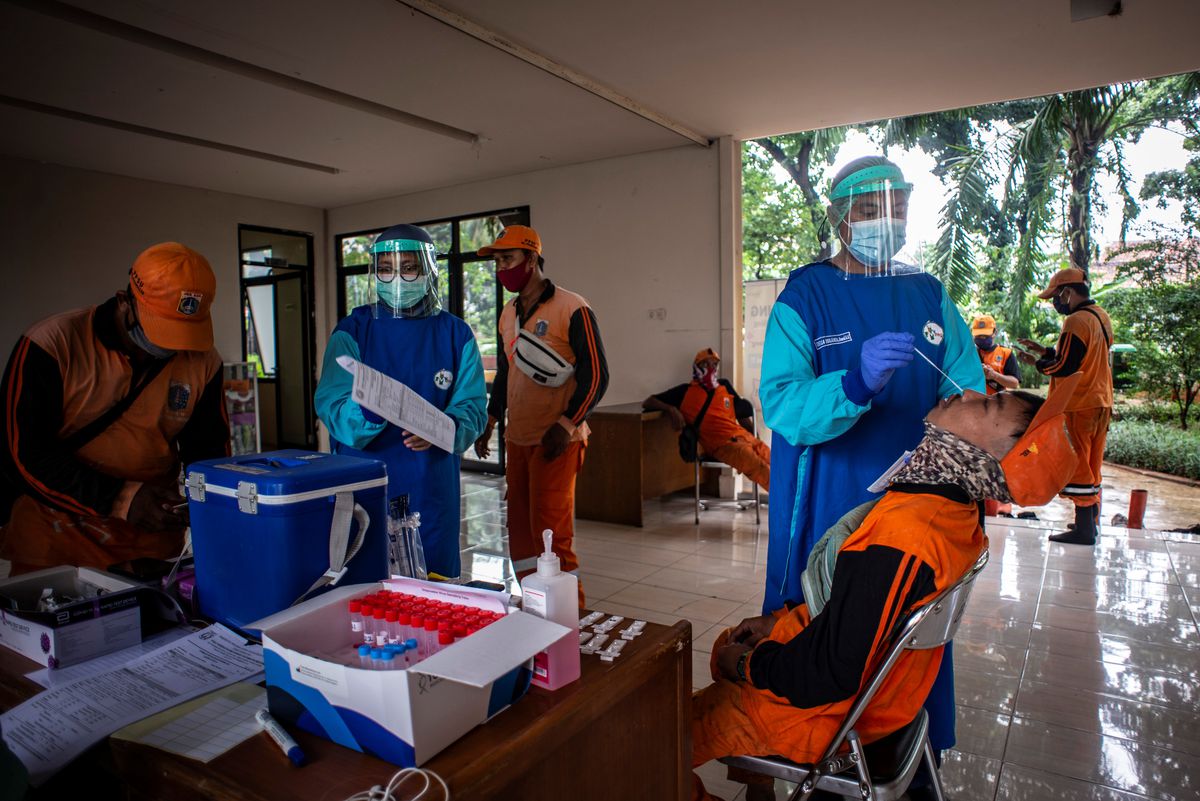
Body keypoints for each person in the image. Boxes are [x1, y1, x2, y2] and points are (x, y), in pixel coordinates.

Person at [692, 387, 1077, 801]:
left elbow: (827, 674)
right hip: (868, 692)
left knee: (647, 736)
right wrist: (777, 622)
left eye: (988, 404)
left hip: (821, 715)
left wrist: (749, 664)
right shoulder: (953, 507)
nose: (967, 392)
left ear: (996, 457)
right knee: (722, 653)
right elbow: (865, 613)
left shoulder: (909, 536)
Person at [758, 156, 984, 761]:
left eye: (899, 207)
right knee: (829, 632)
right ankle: (820, 755)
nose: (887, 219)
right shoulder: (807, 295)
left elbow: (968, 395)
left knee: (908, 638)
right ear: (839, 218)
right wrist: (853, 385)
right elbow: (781, 405)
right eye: (869, 209)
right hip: (830, 499)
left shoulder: (927, 293)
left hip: (916, 509)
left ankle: (909, 758)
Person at [0, 242, 230, 574]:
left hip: (151, 537)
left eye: (183, 335)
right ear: (125, 303)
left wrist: (210, 508)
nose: (170, 349)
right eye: (159, 334)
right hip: (57, 537)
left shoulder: (203, 361)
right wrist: (121, 499)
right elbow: (21, 455)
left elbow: (209, 451)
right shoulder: (52, 344)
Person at [315, 224, 487, 578]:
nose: (397, 278)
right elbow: (332, 403)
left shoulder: (455, 334)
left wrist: (441, 429)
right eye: (386, 269)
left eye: (409, 268)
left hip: (430, 481)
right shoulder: (353, 330)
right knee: (365, 579)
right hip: (365, 477)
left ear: (428, 271)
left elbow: (472, 407)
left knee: (433, 586)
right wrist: (365, 410)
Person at [472, 225, 608, 604]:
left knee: (551, 535)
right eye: (497, 261)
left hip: (557, 442)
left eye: (508, 259)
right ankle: (535, 603)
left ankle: (568, 613)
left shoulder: (572, 307)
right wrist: (491, 419)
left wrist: (566, 425)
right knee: (521, 532)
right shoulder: (508, 314)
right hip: (519, 440)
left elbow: (597, 375)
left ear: (531, 259)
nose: (501, 268)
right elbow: (506, 371)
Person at [1017, 267, 1114, 546]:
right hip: (1100, 401)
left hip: (1078, 402)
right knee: (1092, 463)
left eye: (1055, 297)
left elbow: (1065, 366)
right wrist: (1043, 350)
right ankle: (1090, 521)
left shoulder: (1075, 321)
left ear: (1067, 292)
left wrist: (1036, 363)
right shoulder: (1100, 317)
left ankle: (1084, 530)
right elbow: (1082, 356)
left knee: (1077, 464)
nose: (1055, 302)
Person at [643, 348, 770, 490]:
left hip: (743, 437)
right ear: (696, 367)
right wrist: (671, 409)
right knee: (759, 468)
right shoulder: (684, 392)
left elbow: (741, 413)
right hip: (722, 445)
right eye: (706, 365)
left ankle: (794, 500)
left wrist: (755, 438)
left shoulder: (724, 386)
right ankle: (787, 504)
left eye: (714, 364)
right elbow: (648, 401)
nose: (711, 369)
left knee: (777, 461)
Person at [971, 314, 1020, 394]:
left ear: (995, 332)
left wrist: (994, 375)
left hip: (996, 403)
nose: (981, 338)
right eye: (979, 335)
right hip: (974, 402)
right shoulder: (969, 354)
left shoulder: (1006, 353)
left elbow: (1014, 384)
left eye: (985, 335)